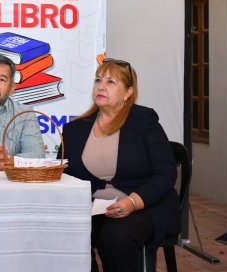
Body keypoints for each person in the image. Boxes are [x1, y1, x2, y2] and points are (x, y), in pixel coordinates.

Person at [61, 58, 180, 272]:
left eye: (111, 82)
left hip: (145, 205)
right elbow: (66, 176)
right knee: (66, 232)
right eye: (98, 80)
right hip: (96, 208)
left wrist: (132, 202)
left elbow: (165, 174)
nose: (101, 86)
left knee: (115, 238)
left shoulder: (144, 121)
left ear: (128, 93)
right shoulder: (74, 130)